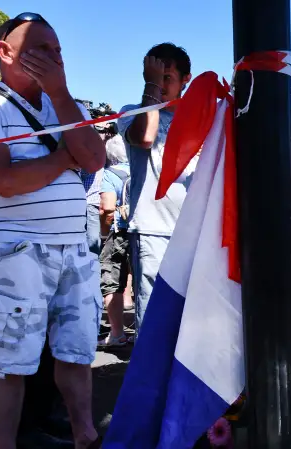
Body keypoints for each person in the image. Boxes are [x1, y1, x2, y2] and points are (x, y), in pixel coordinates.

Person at [0, 13, 105, 448]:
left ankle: (85, 434)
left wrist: (59, 91)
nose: (55, 59)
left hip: (73, 250)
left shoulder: (67, 105)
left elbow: (93, 159)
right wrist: (62, 160)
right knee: (11, 363)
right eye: (41, 50)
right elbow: (4, 181)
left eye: (57, 50)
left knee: (76, 353)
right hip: (15, 253)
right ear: (5, 51)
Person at [118, 43, 193, 336]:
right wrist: (151, 85)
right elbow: (145, 137)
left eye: (167, 77)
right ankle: (149, 382)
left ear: (185, 79)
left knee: (191, 321)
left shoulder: (199, 117)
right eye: (154, 76)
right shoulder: (131, 112)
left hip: (194, 230)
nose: (160, 85)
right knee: (153, 319)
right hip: (152, 229)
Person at [99, 134, 133, 347]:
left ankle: (117, 334)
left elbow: (108, 208)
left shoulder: (110, 174)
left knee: (113, 281)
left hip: (119, 232)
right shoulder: (142, 170)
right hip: (143, 230)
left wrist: (104, 233)